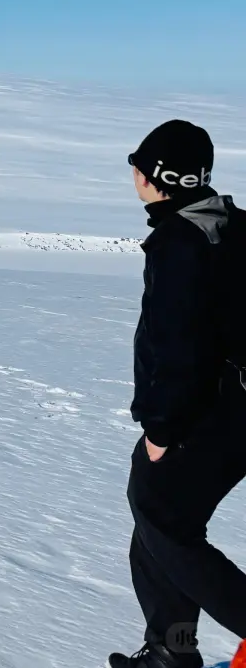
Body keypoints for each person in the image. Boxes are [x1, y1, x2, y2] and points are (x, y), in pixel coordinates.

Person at [111, 120, 246, 668]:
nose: (135, 177)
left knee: (160, 513)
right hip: (228, 405)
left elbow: (175, 347)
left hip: (214, 411)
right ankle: (170, 650)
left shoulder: (180, 242)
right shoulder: (231, 224)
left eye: (139, 168)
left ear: (157, 178)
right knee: (157, 513)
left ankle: (174, 651)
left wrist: (162, 430)